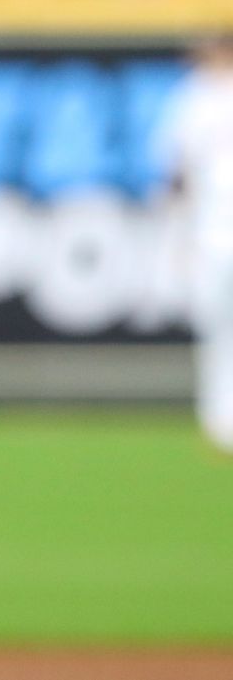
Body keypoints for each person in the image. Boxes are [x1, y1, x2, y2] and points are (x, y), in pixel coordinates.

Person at [157, 33, 233, 454]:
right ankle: (220, 420)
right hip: (211, 233)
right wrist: (177, 232)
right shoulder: (191, 97)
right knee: (216, 328)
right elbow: (177, 169)